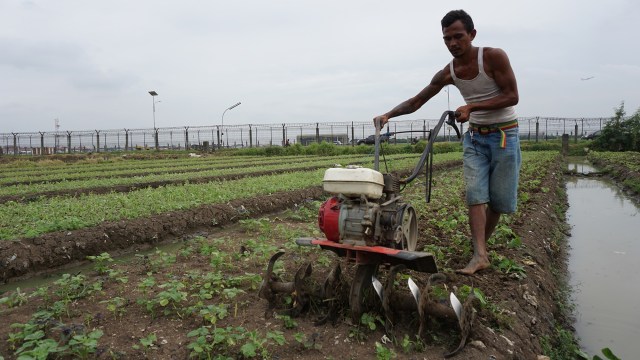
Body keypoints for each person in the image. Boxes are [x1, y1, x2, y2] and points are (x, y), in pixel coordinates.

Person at [373, 9, 521, 275]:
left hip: (504, 136)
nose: (453, 43)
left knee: (498, 203)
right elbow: (417, 101)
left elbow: (512, 96)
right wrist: (388, 115)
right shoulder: (449, 72)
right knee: (475, 195)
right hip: (475, 137)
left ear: (472, 35)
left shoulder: (493, 57)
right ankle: (479, 254)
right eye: (447, 39)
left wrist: (472, 107)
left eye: (458, 36)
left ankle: (480, 247)